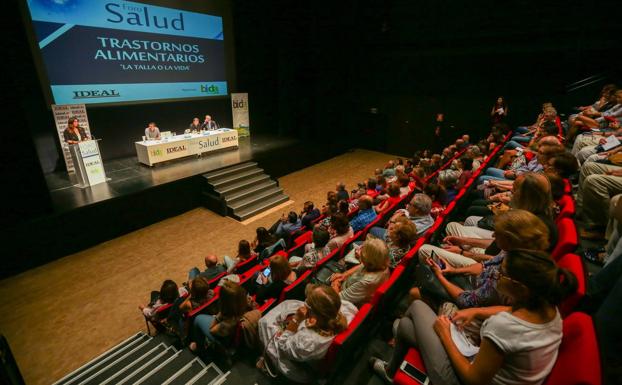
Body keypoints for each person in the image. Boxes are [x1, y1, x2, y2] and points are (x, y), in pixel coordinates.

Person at [371, 248, 576, 385]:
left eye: (500, 274)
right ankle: (391, 371)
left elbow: (472, 380)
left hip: (464, 379)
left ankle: (395, 348)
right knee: (406, 326)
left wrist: (444, 334)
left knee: (416, 306)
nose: (494, 275)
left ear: (520, 288)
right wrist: (476, 312)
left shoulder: (504, 326)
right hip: (483, 362)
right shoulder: (550, 310)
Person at [256, 284, 357, 383]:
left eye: (307, 301)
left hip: (299, 366)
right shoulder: (348, 310)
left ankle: (268, 363)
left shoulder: (308, 341)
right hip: (308, 346)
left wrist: (296, 320)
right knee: (289, 305)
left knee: (264, 322)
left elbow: (283, 346)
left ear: (313, 313)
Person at [190, 281, 252, 352]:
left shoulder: (227, 323)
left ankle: (200, 347)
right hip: (234, 333)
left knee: (198, 319)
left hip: (226, 341)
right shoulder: (245, 303)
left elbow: (211, 330)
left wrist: (218, 316)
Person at [330, 238, 390, 307]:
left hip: (344, 302)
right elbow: (362, 265)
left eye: (363, 248)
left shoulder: (367, 282)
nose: (360, 247)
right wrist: (344, 275)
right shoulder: (381, 263)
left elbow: (338, 299)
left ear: (368, 260)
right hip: (346, 285)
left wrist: (335, 284)